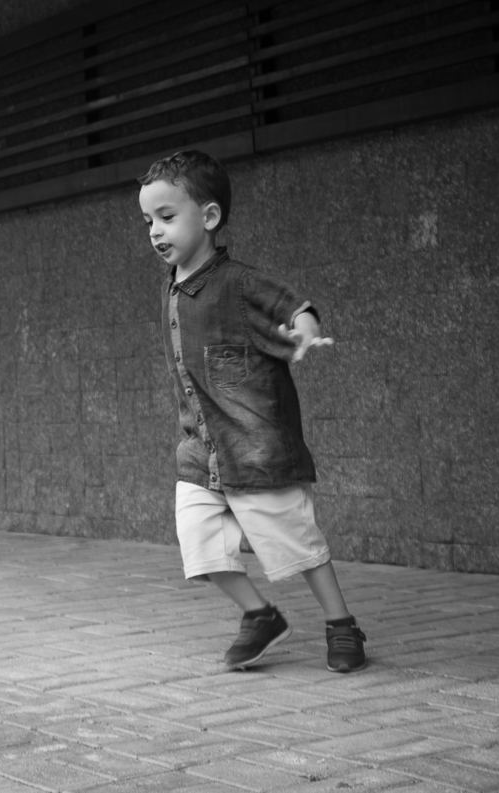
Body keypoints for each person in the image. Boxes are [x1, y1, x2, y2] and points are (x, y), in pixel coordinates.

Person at [138, 149, 366, 672]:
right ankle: (260, 616)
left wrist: (304, 331)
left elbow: (293, 305)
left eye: (166, 216)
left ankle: (341, 624)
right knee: (199, 547)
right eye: (148, 220)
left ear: (209, 217)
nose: (155, 231)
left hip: (255, 448)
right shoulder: (173, 287)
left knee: (297, 544)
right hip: (199, 451)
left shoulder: (238, 282)